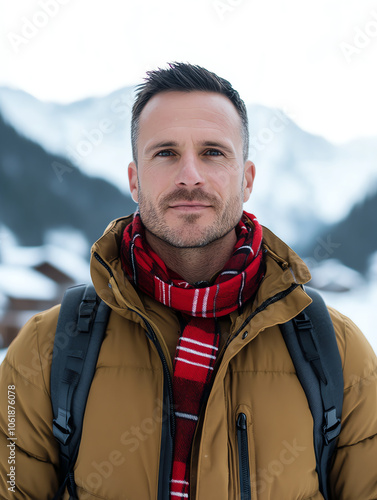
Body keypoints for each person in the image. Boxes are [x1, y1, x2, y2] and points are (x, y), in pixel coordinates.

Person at [0, 62, 376, 500]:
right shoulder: (47, 349)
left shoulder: (338, 352)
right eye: (166, 153)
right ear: (135, 180)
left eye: (214, 152)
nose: (190, 175)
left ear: (247, 179)